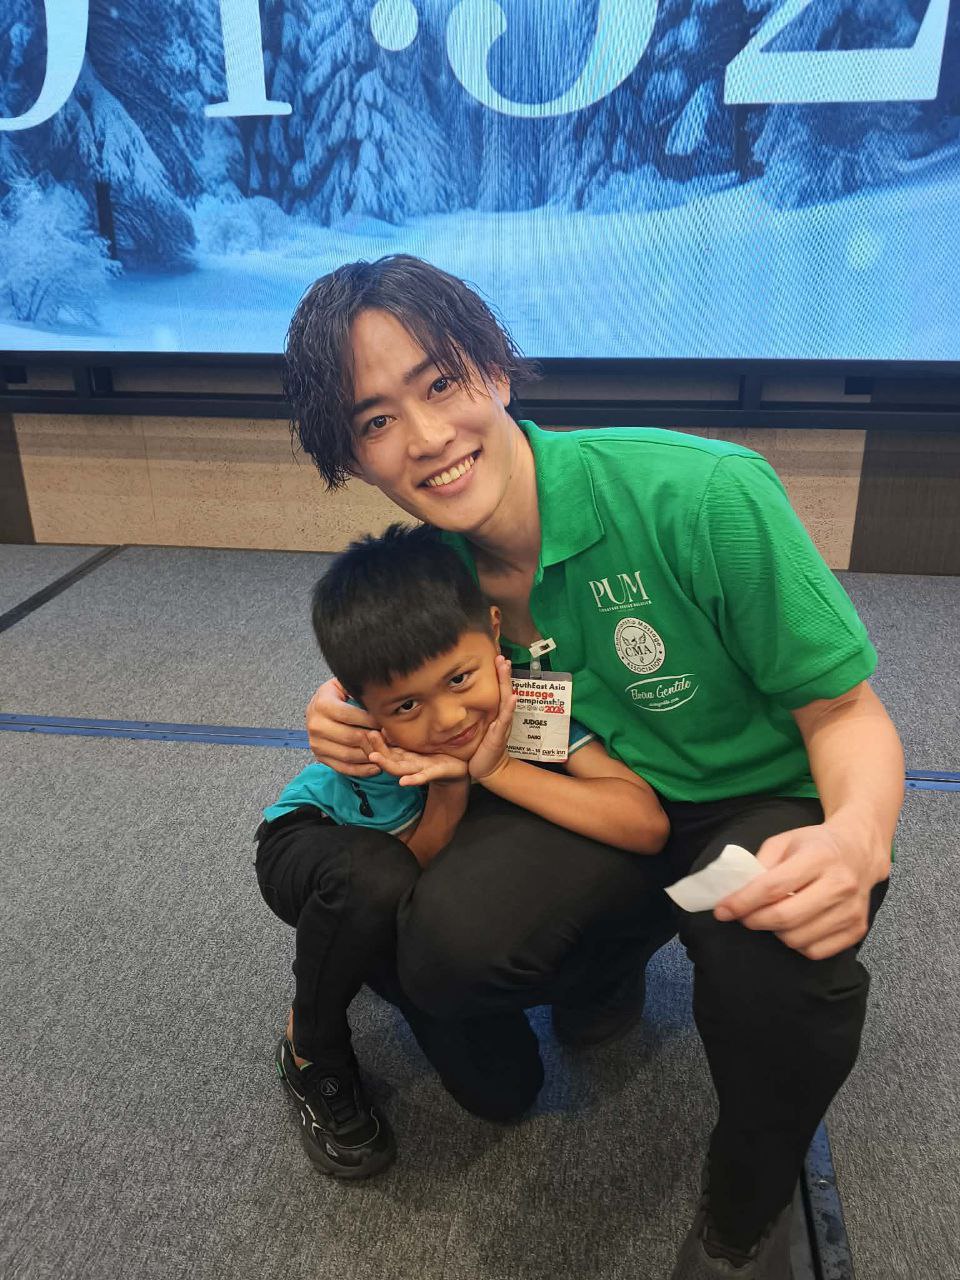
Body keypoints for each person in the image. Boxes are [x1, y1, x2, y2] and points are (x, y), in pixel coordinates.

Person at [283, 254, 902, 1279]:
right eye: (377, 418)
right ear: (351, 453)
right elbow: (396, 677)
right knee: (450, 946)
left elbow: (846, 711)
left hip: (757, 796)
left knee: (774, 969)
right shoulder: (430, 565)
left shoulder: (702, 494)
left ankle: (743, 1222)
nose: (427, 436)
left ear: (495, 367)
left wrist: (856, 838)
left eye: (441, 381)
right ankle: (610, 956)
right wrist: (341, 708)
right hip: (589, 798)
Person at [256, 523, 669, 1179]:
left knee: (504, 1093)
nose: (447, 719)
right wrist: (450, 787)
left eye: (459, 678)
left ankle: (372, 957)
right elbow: (410, 871)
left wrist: (496, 768)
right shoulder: (381, 755)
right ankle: (310, 1046)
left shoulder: (530, 703)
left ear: (495, 633)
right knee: (374, 884)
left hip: (416, 872)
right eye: (406, 704)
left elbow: (645, 824)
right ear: (364, 706)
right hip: (325, 846)